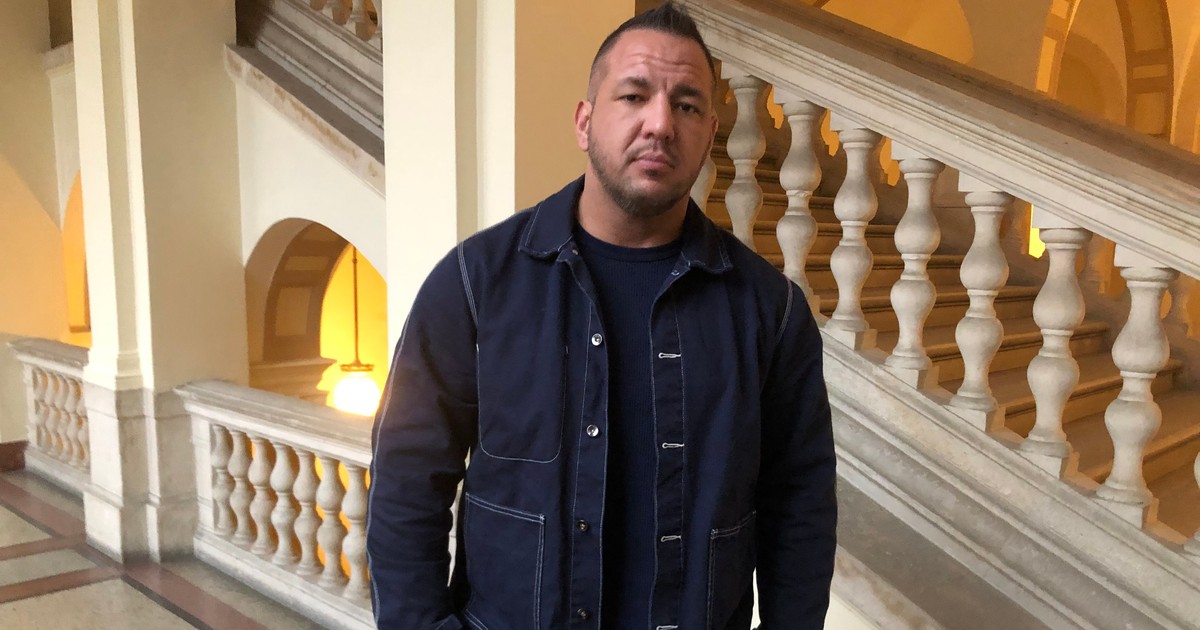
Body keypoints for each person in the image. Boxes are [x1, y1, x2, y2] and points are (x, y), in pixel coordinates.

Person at [366, 3, 836, 628]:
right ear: (585, 122)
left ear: (709, 134)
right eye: (634, 96)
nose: (660, 124)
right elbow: (405, 485)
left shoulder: (770, 312)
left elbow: (800, 511)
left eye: (687, 105)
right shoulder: (475, 283)